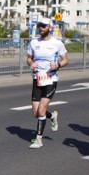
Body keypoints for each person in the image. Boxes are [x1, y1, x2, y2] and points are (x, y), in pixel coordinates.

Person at [26, 17, 69, 148]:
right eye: (40, 26)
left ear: (50, 28)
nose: (41, 28)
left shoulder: (57, 43)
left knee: (41, 110)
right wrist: (31, 63)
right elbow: (28, 58)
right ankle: (52, 116)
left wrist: (58, 65)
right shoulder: (34, 42)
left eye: (43, 26)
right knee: (36, 112)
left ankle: (39, 139)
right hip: (38, 78)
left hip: (51, 79)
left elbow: (66, 59)